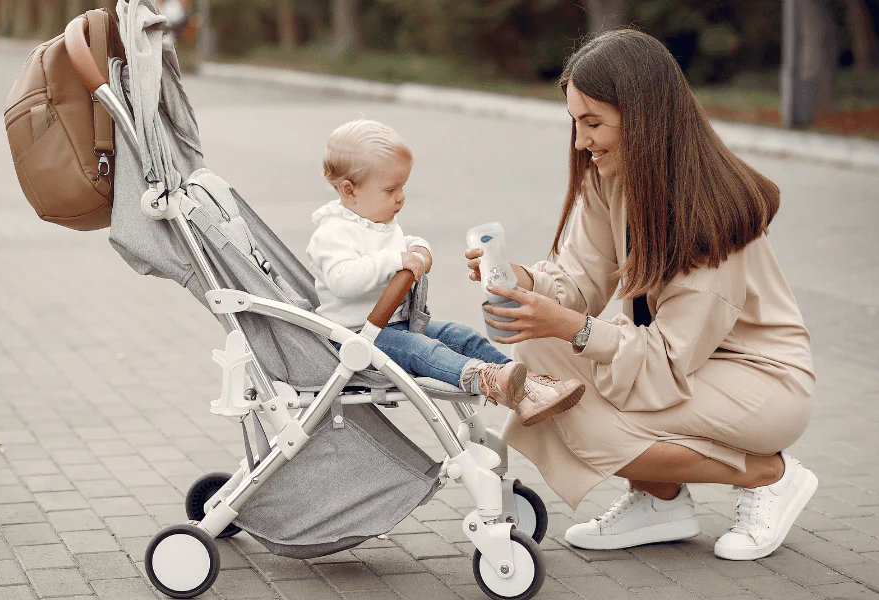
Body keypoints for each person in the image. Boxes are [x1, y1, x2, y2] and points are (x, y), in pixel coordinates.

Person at [465, 29, 817, 561]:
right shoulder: (610, 177)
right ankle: (662, 501)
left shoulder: (710, 216)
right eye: (575, 122)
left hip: (759, 379)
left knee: (585, 418)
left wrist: (571, 329)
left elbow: (665, 361)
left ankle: (770, 474)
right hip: (681, 362)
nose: (581, 141)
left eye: (593, 123)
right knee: (538, 357)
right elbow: (580, 284)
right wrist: (525, 281)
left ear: (643, 117)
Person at [308, 119, 585, 425]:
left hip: (395, 326)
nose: (400, 197)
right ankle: (483, 379)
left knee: (460, 336)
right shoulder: (333, 233)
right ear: (349, 190)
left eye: (403, 187)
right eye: (391, 189)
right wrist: (395, 260)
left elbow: (403, 242)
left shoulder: (374, 218)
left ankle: (529, 389)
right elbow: (342, 280)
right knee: (421, 350)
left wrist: (419, 247)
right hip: (357, 337)